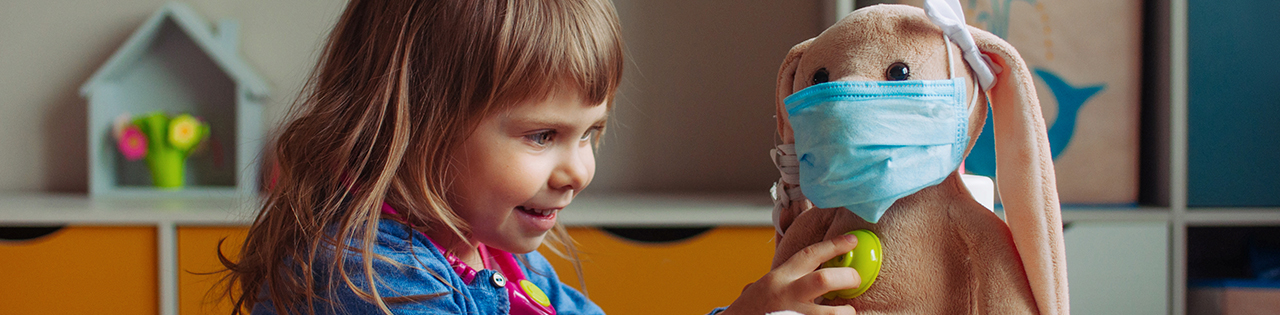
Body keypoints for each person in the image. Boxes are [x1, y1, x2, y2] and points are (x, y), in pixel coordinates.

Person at [222, 0, 863, 314]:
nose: (578, 170)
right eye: (541, 136)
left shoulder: (488, 253)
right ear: (414, 125)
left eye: (589, 134)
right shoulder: (371, 278)